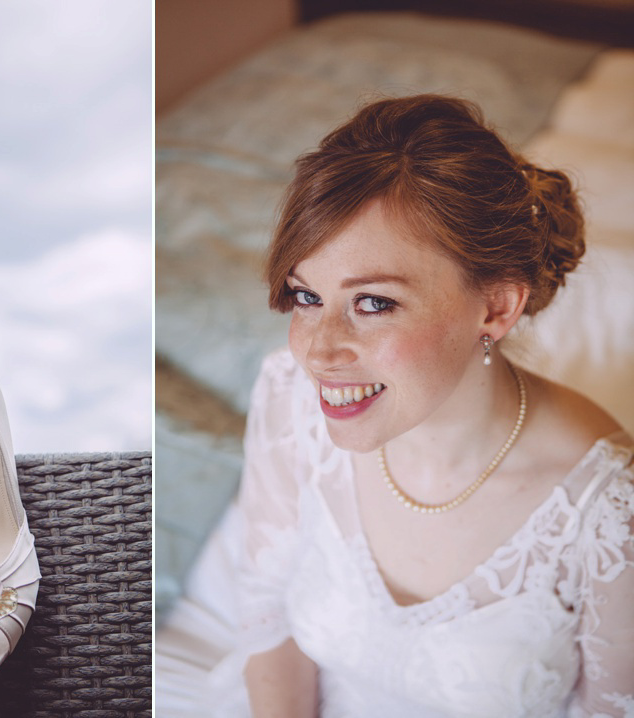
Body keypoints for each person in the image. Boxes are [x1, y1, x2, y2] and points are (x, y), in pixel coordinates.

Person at [156, 95, 634, 717]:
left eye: (374, 303)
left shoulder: (608, 515)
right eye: (305, 296)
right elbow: (268, 611)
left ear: (496, 308)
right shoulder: (288, 396)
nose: (319, 352)